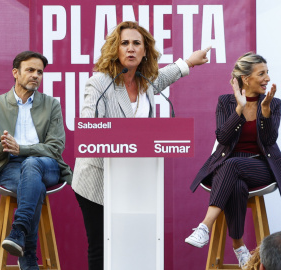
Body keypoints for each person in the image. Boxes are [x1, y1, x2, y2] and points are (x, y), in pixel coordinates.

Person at [71, 21, 210, 270]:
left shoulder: (145, 81)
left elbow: (164, 76)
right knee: (101, 247)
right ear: (116, 49)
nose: (131, 48)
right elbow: (89, 131)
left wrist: (189, 62)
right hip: (98, 180)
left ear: (145, 51)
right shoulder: (100, 83)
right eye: (125, 43)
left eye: (137, 43)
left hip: (135, 181)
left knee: (131, 243)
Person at [185, 52, 281, 267]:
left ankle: (205, 226)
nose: (267, 78)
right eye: (261, 74)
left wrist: (266, 111)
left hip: (262, 166)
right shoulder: (226, 102)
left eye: (267, 73)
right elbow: (223, 137)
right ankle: (240, 247)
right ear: (246, 78)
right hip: (230, 168)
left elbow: (270, 140)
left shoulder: (273, 103)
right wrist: (239, 109)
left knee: (230, 166)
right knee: (237, 186)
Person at [0, 51, 72, 270]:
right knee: (32, 184)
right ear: (15, 73)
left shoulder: (51, 105)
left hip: (47, 164)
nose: (36, 76)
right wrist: (5, 147)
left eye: (40, 72)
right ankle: (27, 252)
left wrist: (22, 149)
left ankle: (19, 230)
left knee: (32, 164)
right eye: (30, 70)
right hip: (9, 166)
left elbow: (56, 148)